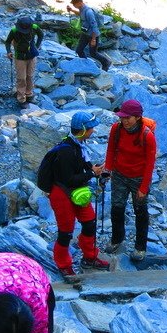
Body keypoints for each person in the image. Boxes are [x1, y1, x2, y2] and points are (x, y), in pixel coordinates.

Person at [45, 110, 111, 280]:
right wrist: (92, 173)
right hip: (62, 194)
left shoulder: (77, 145)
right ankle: (64, 265)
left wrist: (94, 170)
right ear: (82, 129)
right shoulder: (66, 151)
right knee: (65, 232)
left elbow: (82, 167)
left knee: (89, 223)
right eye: (90, 128)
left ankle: (89, 257)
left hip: (76, 191)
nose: (93, 131)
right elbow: (69, 179)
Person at [104, 99, 157, 262]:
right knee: (117, 207)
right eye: (122, 117)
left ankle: (140, 247)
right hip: (119, 174)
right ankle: (116, 239)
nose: (124, 121)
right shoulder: (116, 128)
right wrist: (108, 169)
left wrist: (143, 187)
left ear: (137, 117)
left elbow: (150, 164)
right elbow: (111, 149)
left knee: (140, 211)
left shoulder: (147, 136)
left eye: (128, 118)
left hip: (139, 177)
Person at [4, 15, 44, 106]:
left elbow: (41, 35)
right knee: (21, 78)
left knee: (30, 76)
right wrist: (9, 51)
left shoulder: (34, 27)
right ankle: (21, 99)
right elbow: (7, 42)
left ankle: (29, 95)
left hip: (32, 56)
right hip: (20, 57)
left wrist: (37, 46)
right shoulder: (14, 30)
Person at [67, 0, 111, 71]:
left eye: (74, 4)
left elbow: (95, 26)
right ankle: (86, 66)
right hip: (85, 33)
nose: (74, 5)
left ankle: (106, 62)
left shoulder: (89, 12)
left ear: (80, 2)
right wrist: (71, 10)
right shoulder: (81, 9)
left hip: (93, 35)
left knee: (93, 53)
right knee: (79, 50)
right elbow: (80, 14)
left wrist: (93, 39)